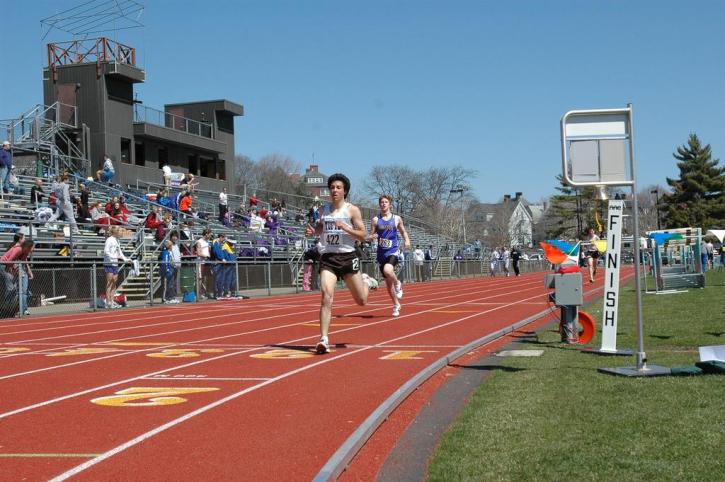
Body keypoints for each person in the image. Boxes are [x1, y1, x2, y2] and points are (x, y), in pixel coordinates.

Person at [305, 173, 377, 354]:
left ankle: (366, 282)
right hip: (328, 258)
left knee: (361, 301)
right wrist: (314, 231)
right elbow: (322, 227)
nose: (334, 190)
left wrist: (345, 227)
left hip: (347, 257)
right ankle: (323, 339)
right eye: (332, 187)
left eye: (338, 187)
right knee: (326, 295)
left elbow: (363, 234)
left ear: (345, 191)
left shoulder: (352, 210)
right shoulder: (324, 209)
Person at [370, 194, 411, 317]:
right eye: (381, 202)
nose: (383, 204)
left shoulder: (397, 218)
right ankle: (396, 304)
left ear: (390, 204)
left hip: (393, 250)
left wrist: (407, 240)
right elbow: (370, 235)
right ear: (379, 204)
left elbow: (403, 231)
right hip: (381, 253)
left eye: (385, 202)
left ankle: (398, 283)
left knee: (388, 270)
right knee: (388, 285)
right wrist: (373, 237)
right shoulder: (375, 220)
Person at [1, 239, 35, 316]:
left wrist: (22, 272)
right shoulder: (18, 249)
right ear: (28, 247)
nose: (34, 249)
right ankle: (8, 309)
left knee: (16, 289)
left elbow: (22, 263)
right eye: (33, 247)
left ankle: (15, 309)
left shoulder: (25, 252)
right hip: (3, 264)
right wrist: (13, 270)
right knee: (11, 288)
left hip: (10, 266)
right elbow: (9, 260)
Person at [103, 226, 128, 309]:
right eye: (120, 231)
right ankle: (108, 302)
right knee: (109, 282)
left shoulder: (117, 240)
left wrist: (125, 259)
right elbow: (106, 251)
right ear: (115, 232)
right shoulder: (109, 240)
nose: (121, 233)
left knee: (114, 282)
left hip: (115, 264)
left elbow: (119, 252)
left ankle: (112, 300)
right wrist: (113, 257)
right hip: (109, 263)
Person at [195, 228, 214, 299]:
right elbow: (199, 253)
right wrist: (206, 256)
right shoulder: (199, 242)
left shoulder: (207, 242)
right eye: (209, 235)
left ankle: (205, 293)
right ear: (206, 234)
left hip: (207, 262)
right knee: (200, 278)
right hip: (201, 262)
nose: (210, 236)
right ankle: (198, 294)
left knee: (206, 278)